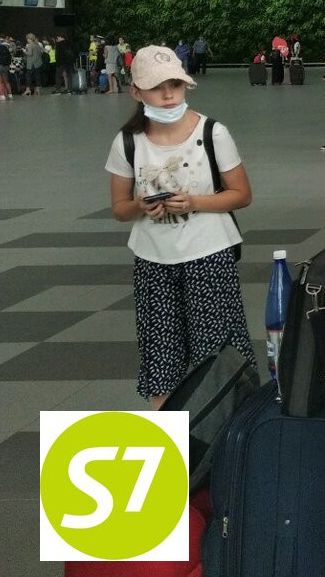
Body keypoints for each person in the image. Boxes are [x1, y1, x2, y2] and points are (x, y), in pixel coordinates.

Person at [105, 45, 255, 407]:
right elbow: (120, 209)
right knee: (160, 357)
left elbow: (242, 194)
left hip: (209, 255)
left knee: (217, 353)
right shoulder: (127, 142)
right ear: (136, 92)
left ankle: (224, 435)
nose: (169, 95)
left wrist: (194, 202)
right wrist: (141, 206)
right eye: (156, 87)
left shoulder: (213, 132)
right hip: (153, 261)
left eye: (175, 84)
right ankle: (169, 437)